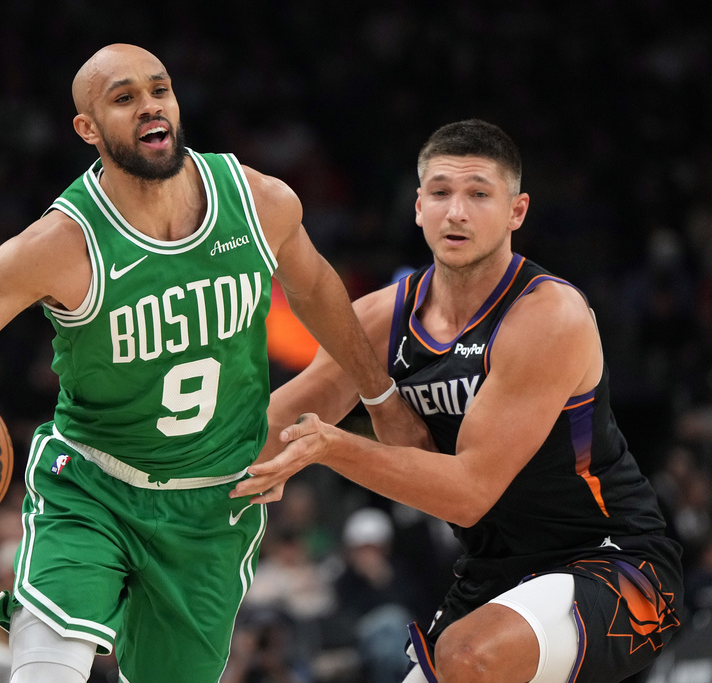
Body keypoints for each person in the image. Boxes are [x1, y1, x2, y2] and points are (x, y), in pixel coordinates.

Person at [0, 43, 407, 683]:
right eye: (124, 98)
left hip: (214, 505)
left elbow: (317, 290)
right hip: (93, 487)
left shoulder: (260, 202)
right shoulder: (60, 245)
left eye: (160, 89)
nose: (151, 106)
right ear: (87, 128)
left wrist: (383, 398)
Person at [232, 119, 684, 682]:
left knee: (469, 658)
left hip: (618, 564)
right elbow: (268, 425)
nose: (456, 212)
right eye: (441, 193)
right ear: (418, 206)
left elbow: (468, 493)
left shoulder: (546, 317)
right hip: (492, 575)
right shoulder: (382, 317)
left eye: (478, 194)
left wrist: (331, 447)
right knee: (465, 656)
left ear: (517, 211)